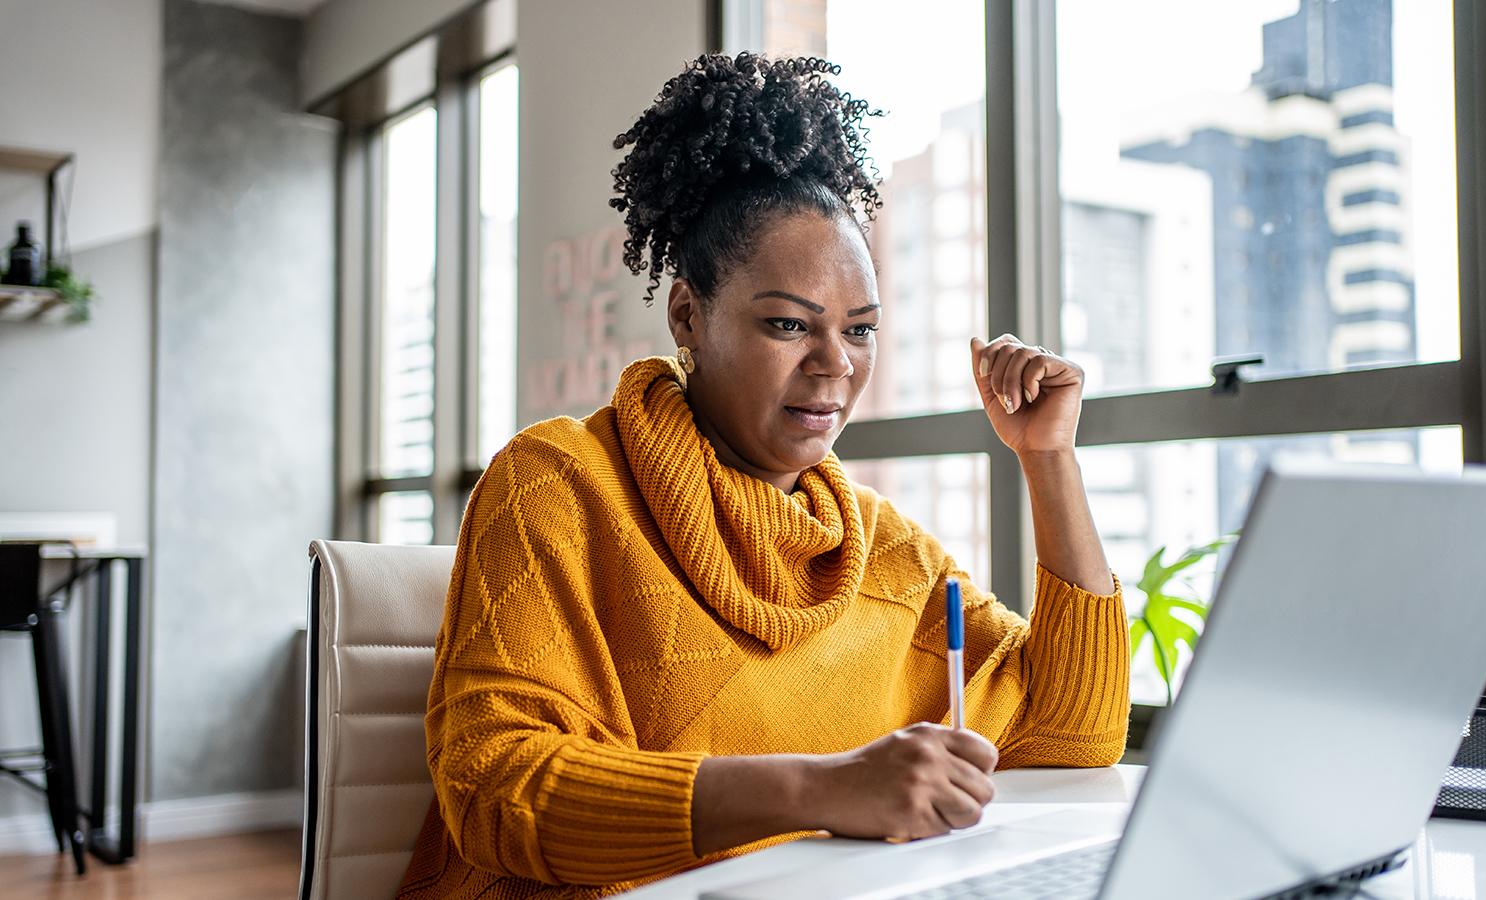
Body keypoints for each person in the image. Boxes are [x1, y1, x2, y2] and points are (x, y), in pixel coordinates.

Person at [397, 53, 1129, 900]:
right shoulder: (558, 485)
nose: (835, 367)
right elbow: (494, 790)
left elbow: (1076, 731)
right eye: (789, 324)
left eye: (860, 330)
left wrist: (1048, 458)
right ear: (687, 316)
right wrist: (820, 789)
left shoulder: (881, 550)